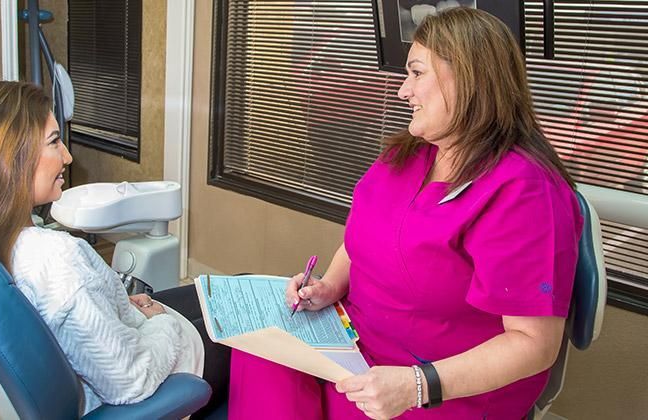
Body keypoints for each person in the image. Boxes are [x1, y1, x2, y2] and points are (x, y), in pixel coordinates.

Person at [228, 7, 582, 420]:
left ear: (468, 80)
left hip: (436, 387)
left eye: (416, 73)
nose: (402, 91)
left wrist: (417, 384)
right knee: (255, 343)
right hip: (351, 346)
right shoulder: (406, 154)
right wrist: (329, 285)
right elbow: (361, 241)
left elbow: (533, 344)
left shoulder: (524, 192)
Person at [0, 80, 229, 416]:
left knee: (226, 292)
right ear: (9, 157)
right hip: (167, 370)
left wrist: (110, 304)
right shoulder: (57, 259)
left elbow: (73, 317)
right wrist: (161, 322)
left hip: (128, 332)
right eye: (54, 142)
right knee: (253, 327)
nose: (68, 156)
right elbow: (130, 380)